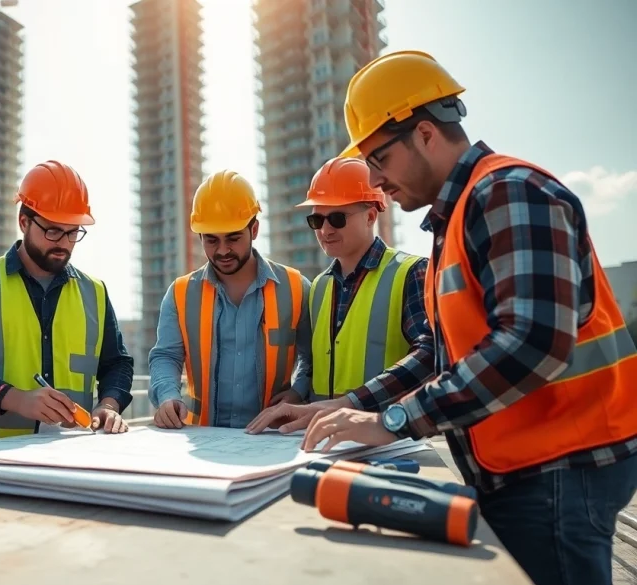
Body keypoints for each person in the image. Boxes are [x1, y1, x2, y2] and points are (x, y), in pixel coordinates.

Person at [255, 50, 637, 585]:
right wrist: (345, 406)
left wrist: (392, 422)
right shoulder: (457, 221)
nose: (375, 180)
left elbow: (533, 341)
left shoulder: (508, 193)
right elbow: (440, 353)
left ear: (426, 134)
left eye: (379, 159)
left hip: (563, 467)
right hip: (523, 466)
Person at [0, 160, 134, 443]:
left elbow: (117, 363)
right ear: (24, 221)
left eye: (73, 232)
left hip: (71, 455)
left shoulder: (95, 291)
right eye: (52, 230)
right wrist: (14, 399)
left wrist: (108, 406)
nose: (63, 243)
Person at [246, 157, 432, 429]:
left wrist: (353, 404)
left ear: (370, 216)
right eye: (316, 219)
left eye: (337, 218)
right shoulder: (319, 287)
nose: (325, 230)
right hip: (324, 438)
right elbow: (313, 361)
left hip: (390, 439)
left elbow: (430, 358)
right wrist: (298, 394)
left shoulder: (410, 273)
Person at [148, 169, 312, 430]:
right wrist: (167, 395)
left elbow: (312, 357)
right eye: (211, 240)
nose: (222, 250)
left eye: (233, 238)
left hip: (273, 438)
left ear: (254, 229)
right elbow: (166, 356)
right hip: (204, 437)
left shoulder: (296, 288)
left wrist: (298, 392)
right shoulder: (180, 294)